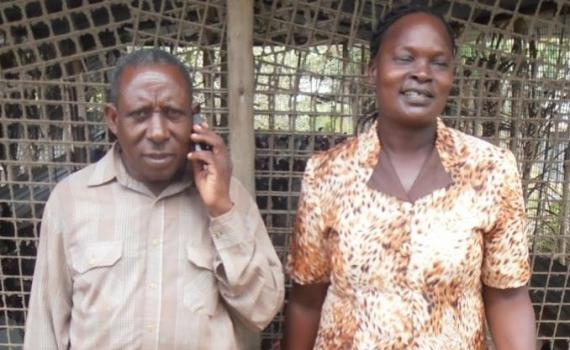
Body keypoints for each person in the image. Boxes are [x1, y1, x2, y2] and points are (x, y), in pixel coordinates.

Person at [284, 4, 535, 350]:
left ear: (451, 76)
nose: (422, 73)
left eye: (438, 62)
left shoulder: (490, 170)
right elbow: (306, 299)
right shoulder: (328, 174)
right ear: (372, 70)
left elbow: (508, 298)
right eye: (404, 58)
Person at [24, 48, 284, 349]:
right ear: (113, 119)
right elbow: (44, 329)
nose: (159, 132)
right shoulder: (70, 200)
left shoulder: (228, 196)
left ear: (193, 116)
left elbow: (262, 311)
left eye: (173, 113)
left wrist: (221, 211)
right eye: (140, 114)